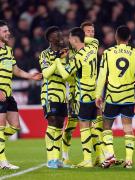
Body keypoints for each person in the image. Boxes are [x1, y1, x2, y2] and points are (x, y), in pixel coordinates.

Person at [95, 25, 135, 168]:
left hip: (113, 96)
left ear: (116, 37)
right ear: (130, 38)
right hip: (128, 96)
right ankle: (129, 160)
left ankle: (110, 155)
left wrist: (97, 95)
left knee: (106, 126)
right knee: (128, 128)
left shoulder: (108, 53)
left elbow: (102, 76)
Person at [0, 20, 42, 169]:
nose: (8, 33)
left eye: (7, 31)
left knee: (15, 126)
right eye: (4, 31)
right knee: (1, 126)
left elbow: (15, 70)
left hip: (8, 94)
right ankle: (3, 162)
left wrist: (31, 76)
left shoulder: (8, 50)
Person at [62, 21, 104, 166]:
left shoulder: (83, 50)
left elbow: (66, 73)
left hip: (84, 92)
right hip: (78, 92)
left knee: (90, 125)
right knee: (73, 125)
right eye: (88, 31)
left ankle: (93, 157)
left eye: (93, 31)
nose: (91, 34)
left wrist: (77, 38)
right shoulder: (86, 49)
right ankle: (65, 154)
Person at [39, 26, 69, 169]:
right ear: (50, 38)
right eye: (57, 34)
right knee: (52, 122)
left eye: (60, 32)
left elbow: (67, 74)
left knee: (59, 125)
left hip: (63, 94)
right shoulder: (44, 54)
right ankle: (50, 159)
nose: (60, 35)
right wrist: (57, 61)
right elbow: (45, 73)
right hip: (50, 92)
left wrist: (58, 60)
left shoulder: (66, 54)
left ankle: (57, 159)